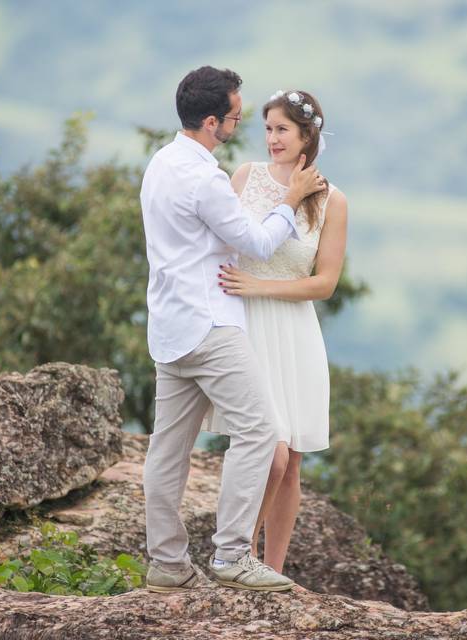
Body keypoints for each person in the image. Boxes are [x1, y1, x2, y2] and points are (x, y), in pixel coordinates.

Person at [140, 67, 326, 593]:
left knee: (167, 450)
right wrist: (289, 201)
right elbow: (258, 243)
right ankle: (232, 555)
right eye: (237, 118)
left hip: (169, 327)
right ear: (211, 120)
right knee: (261, 432)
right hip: (210, 326)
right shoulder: (206, 178)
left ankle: (168, 563)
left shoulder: (160, 163)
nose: (243, 127)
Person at [206, 89, 348, 573]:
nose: (271, 139)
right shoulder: (245, 176)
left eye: (282, 129)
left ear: (308, 134)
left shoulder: (333, 200)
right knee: (271, 453)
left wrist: (261, 286)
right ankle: (236, 557)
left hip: (295, 333)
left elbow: (325, 283)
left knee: (292, 469)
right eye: (267, 128)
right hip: (246, 328)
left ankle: (274, 568)